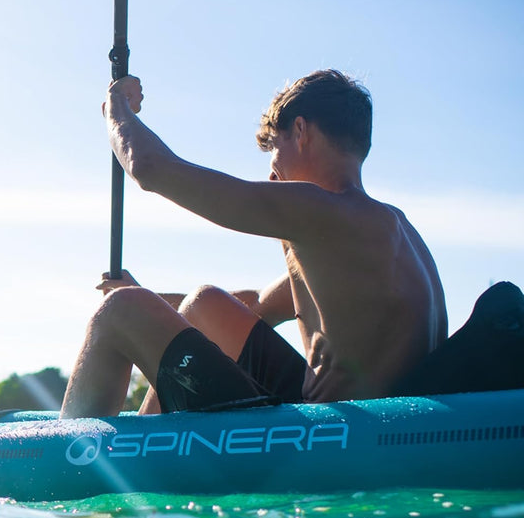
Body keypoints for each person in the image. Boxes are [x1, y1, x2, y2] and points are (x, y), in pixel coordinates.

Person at [60, 69, 447, 419]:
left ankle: (73, 461)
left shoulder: (323, 209)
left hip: (337, 436)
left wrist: (115, 107)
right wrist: (152, 299)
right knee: (204, 301)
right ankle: (152, 435)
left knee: (119, 311)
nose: (272, 172)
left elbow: (150, 169)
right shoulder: (391, 229)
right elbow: (258, 304)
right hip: (382, 418)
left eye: (275, 150)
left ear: (301, 131)